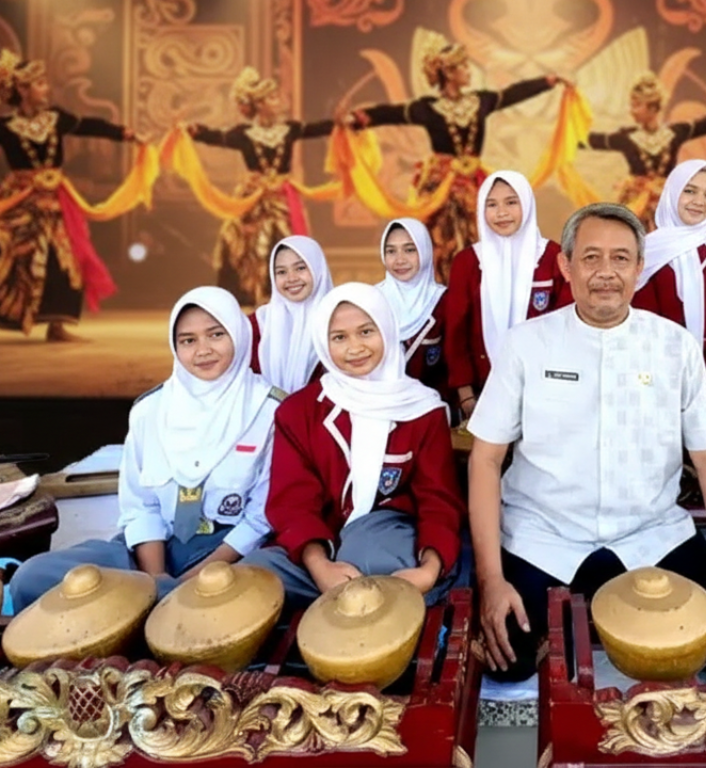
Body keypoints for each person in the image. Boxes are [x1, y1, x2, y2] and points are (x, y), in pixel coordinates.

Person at [467, 202, 706, 681]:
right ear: (566, 265)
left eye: (620, 259)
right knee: (505, 660)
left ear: (639, 268)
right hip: (542, 535)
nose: (606, 273)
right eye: (591, 258)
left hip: (650, 535)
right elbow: (486, 460)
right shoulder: (526, 344)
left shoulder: (673, 344)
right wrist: (492, 580)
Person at [9, 287, 281, 612]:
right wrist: (157, 580)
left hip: (233, 554)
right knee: (32, 577)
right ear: (174, 345)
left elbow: (262, 517)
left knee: (273, 583)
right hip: (152, 551)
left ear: (238, 334)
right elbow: (141, 507)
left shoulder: (272, 410)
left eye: (216, 335)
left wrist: (198, 578)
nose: (203, 350)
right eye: (188, 340)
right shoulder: (150, 410)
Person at [241, 283, 464, 608]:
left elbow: (438, 501)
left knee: (370, 556)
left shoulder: (423, 409)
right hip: (318, 555)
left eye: (366, 331)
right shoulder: (298, 411)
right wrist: (320, 567)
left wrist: (429, 571)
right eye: (339, 337)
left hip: (392, 550)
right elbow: (292, 503)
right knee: (252, 579)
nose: (355, 347)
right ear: (322, 342)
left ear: (387, 330)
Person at [346, 42, 567, 283]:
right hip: (441, 186)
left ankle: (479, 289)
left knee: (481, 236)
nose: (468, 71)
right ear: (449, 73)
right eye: (463, 66)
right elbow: (389, 113)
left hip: (474, 183)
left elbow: (513, 94)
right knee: (442, 239)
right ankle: (443, 289)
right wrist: (356, 119)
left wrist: (548, 81)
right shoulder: (427, 109)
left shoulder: (481, 101)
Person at [0, 49, 141, 341]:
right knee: (13, 259)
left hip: (56, 201)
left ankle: (57, 325)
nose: (45, 89)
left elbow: (90, 125)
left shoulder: (56, 119)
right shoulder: (6, 128)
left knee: (65, 260)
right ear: (22, 90)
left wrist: (125, 134)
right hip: (22, 201)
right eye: (39, 84)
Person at [184, 67, 336, 305]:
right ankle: (248, 295)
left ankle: (286, 297)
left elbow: (317, 129)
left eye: (277, 97)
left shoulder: (289, 129)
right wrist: (196, 131)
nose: (278, 102)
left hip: (282, 199)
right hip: (253, 198)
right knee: (240, 245)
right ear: (259, 104)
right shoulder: (244, 134)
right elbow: (217, 137)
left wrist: (343, 123)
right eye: (271, 98)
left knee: (286, 243)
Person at [446, 170, 570, 421]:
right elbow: (455, 331)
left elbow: (566, 326)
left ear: (526, 203)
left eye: (511, 202)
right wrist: (466, 394)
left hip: (544, 393)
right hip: (481, 395)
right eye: (491, 205)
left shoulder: (553, 257)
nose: (501, 212)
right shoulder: (468, 262)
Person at [633, 159, 706, 411]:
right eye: (689, 191)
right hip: (657, 379)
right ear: (672, 192)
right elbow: (639, 322)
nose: (699, 201)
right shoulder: (645, 249)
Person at [580, 72, 706, 231]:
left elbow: (704, 126)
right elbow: (592, 140)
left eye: (637, 105)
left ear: (653, 108)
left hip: (668, 201)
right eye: (632, 105)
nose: (632, 111)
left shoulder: (674, 133)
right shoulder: (627, 138)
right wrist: (565, 136)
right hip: (636, 204)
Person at [250, 235, 333, 393]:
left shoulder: (339, 320)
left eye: (301, 268)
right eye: (281, 272)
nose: (291, 278)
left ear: (318, 269)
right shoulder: (257, 324)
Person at [377, 218, 449, 400]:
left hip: (431, 405)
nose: (399, 260)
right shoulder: (371, 300)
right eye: (391, 251)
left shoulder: (444, 300)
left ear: (424, 252)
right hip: (379, 404)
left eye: (410, 250)